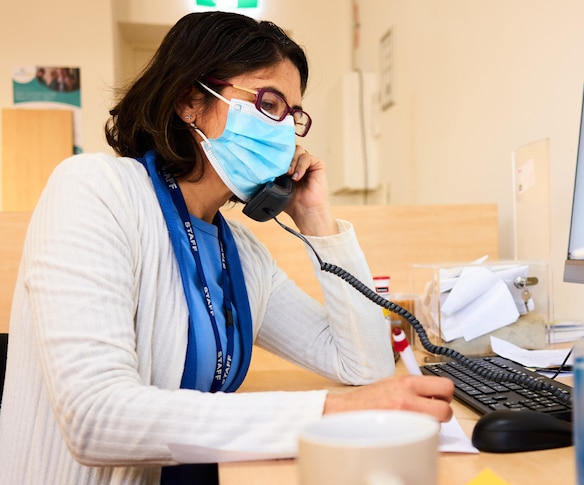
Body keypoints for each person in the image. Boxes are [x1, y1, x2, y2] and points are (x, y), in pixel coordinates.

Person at [0, 11, 453, 484]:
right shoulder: (95, 191)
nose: (284, 130)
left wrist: (318, 220)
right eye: (270, 104)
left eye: (293, 116)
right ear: (190, 101)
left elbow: (365, 366)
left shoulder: (242, 252)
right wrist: (331, 410)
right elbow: (95, 419)